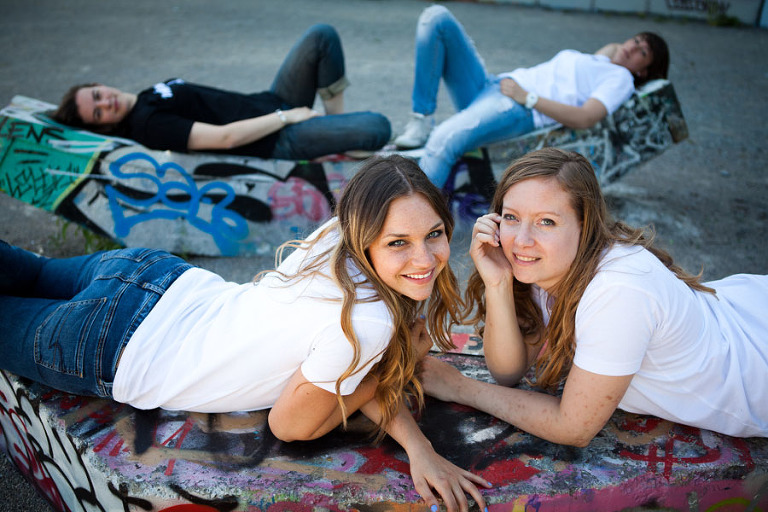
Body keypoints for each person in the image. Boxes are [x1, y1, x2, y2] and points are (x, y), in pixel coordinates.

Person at [0, 155, 491, 512]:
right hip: (116, 345)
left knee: (31, 272)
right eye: (399, 243)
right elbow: (291, 427)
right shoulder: (369, 325)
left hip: (151, 275)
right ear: (368, 239)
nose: (425, 259)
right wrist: (391, 368)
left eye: (434, 234)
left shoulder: (340, 232)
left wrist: (416, 442)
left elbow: (347, 372)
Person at [420, 148, 768, 446]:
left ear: (585, 225)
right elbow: (508, 371)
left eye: (546, 222)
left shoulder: (618, 292)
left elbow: (573, 426)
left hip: (754, 370)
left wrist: (460, 388)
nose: (521, 240)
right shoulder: (549, 264)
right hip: (742, 312)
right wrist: (497, 285)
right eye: (511, 217)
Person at [393, 5, 669, 188]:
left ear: (644, 71)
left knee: (444, 140)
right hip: (493, 86)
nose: (632, 49)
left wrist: (529, 98)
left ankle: (411, 224)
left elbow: (586, 117)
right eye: (636, 40)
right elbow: (612, 49)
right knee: (436, 17)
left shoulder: (620, 80)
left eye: (642, 53)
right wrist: (625, 51)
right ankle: (421, 118)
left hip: (516, 106)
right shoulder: (603, 62)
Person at [51, 24, 391, 161]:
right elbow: (224, 138)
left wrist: (280, 109)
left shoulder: (145, 96)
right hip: (276, 137)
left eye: (97, 95)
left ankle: (338, 132)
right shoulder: (147, 123)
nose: (106, 102)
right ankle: (341, 137)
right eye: (99, 113)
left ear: (98, 85)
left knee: (321, 36)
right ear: (105, 125)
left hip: (269, 103)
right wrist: (287, 116)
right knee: (379, 127)